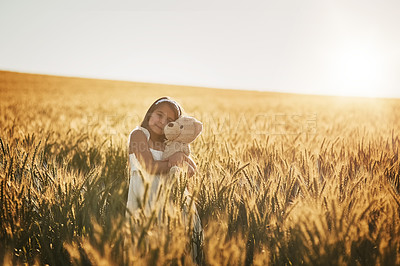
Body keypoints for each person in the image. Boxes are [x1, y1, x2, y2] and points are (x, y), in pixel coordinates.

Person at [126, 96, 203, 263]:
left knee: (174, 251)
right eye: (159, 115)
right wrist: (173, 160)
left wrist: (181, 156)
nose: (162, 121)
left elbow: (191, 170)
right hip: (146, 202)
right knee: (147, 250)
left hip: (171, 204)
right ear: (149, 114)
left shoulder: (171, 142)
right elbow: (150, 166)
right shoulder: (139, 135)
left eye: (169, 120)